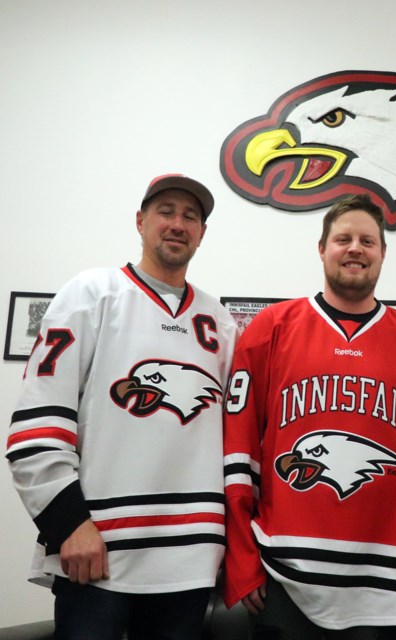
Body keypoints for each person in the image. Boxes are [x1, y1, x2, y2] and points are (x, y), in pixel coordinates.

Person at [7, 174, 237, 639]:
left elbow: (236, 437)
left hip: (190, 562)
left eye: (190, 217)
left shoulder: (219, 321)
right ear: (140, 221)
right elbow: (36, 422)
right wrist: (68, 523)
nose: (178, 224)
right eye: (166, 212)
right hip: (98, 552)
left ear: (202, 233)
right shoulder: (91, 293)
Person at [222, 193, 396, 638]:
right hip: (283, 569)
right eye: (343, 239)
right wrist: (243, 561)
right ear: (322, 249)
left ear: (383, 253)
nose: (355, 249)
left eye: (368, 240)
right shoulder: (270, 329)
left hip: (383, 579)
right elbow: (238, 454)